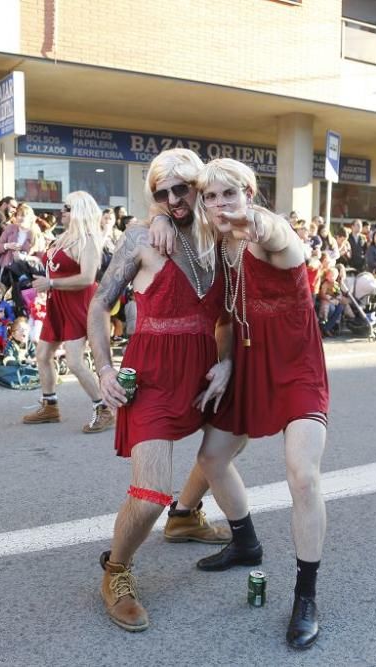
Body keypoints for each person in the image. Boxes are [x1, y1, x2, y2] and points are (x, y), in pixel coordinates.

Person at [87, 149, 237, 634]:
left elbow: (226, 315)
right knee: (150, 495)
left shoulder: (220, 237)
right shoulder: (142, 237)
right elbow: (97, 308)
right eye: (161, 193)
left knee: (232, 437)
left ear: (200, 185)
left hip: (201, 372)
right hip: (150, 376)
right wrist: (105, 370)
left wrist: (228, 360)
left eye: (182, 188)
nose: (173, 200)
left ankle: (186, 516)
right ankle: (116, 572)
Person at [187, 158, 330, 649]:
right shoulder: (222, 248)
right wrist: (224, 364)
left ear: (250, 193)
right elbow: (226, 319)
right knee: (211, 458)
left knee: (302, 475)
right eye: (211, 197)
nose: (220, 204)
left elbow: (276, 234)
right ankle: (246, 543)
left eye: (230, 194)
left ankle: (306, 595)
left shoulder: (270, 233)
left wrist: (258, 223)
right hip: (248, 364)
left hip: (296, 368)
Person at [23, 191, 114, 433]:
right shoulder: (63, 237)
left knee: (74, 361)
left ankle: (104, 408)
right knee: (42, 354)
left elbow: (87, 277)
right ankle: (50, 405)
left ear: (80, 212)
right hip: (57, 302)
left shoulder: (89, 239)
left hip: (78, 303)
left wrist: (51, 283)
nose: (62, 211)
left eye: (68, 207)